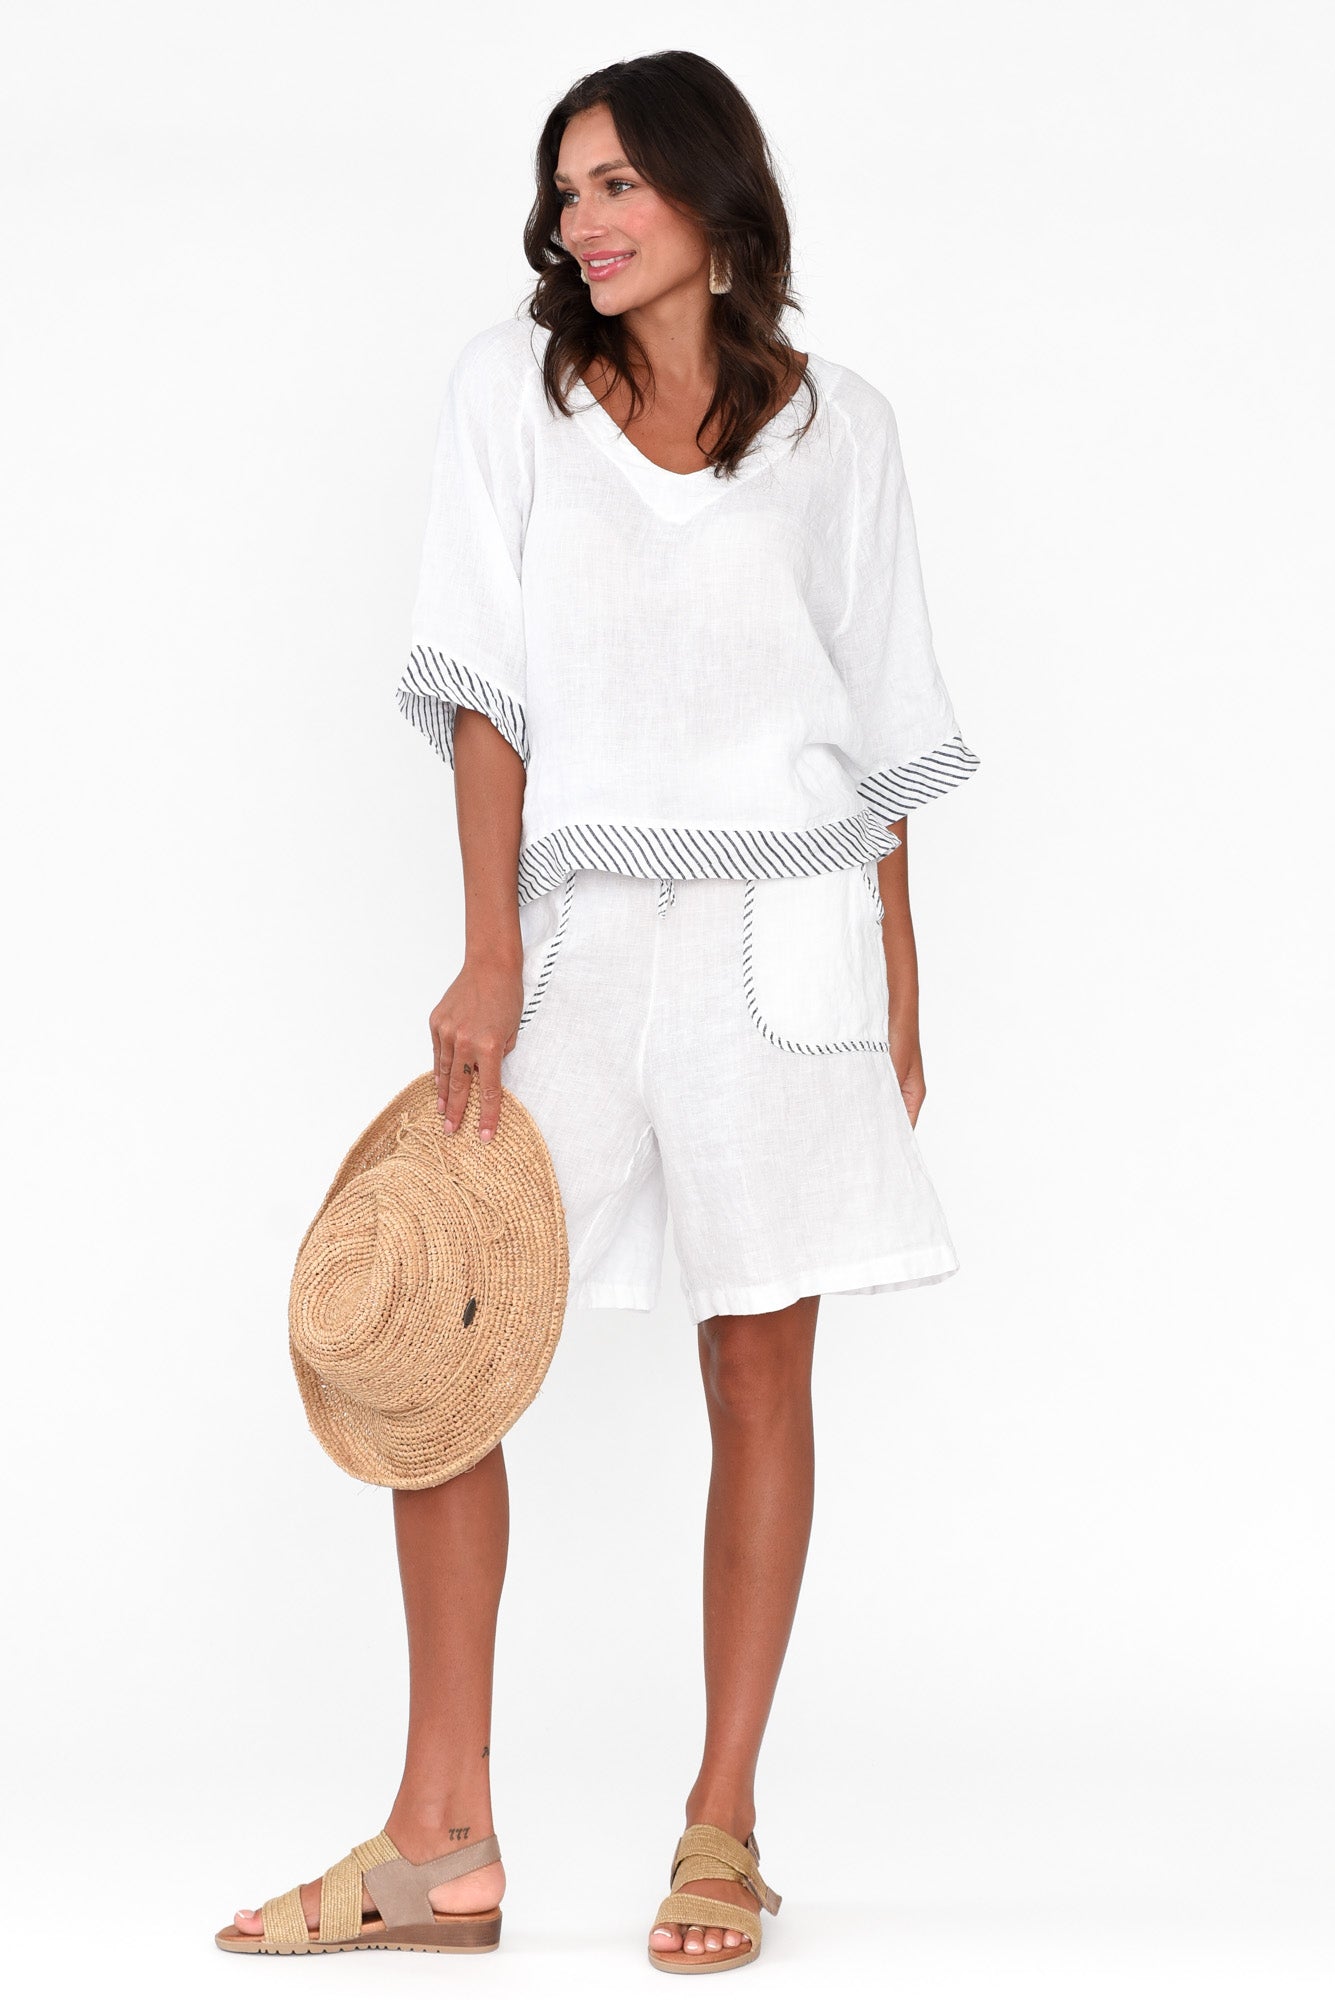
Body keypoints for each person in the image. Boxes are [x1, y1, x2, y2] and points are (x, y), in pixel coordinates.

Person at [219, 48, 979, 1973]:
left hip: (788, 944)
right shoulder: (513, 394)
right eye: (569, 191)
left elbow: (883, 722)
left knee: (761, 1373)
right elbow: (482, 685)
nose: (587, 220)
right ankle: (441, 1836)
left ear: (717, 199)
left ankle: (724, 1823)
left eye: (622, 181)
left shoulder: (846, 432)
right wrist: (487, 950)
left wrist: (901, 972)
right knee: (428, 1329)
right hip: (573, 941)